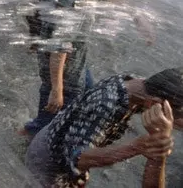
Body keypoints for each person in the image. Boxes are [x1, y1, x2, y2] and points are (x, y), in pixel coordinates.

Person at [22, 0, 155, 137]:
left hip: (65, 58)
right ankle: (31, 139)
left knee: (88, 94)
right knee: (52, 115)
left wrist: (136, 15)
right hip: (65, 67)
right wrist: (58, 89)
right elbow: (61, 44)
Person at [25, 68, 183, 187]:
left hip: (56, 132)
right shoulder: (105, 106)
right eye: (178, 115)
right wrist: (136, 147)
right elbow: (78, 159)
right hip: (48, 159)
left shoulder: (138, 85)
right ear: (155, 105)